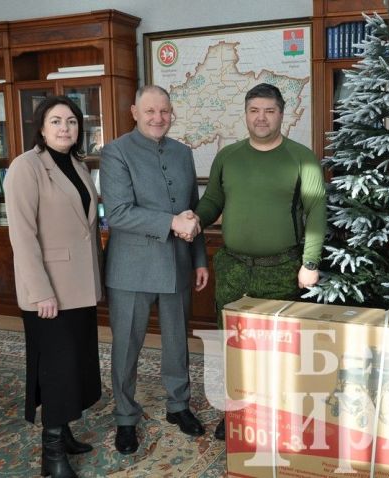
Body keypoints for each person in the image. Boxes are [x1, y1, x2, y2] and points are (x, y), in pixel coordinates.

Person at [194, 83, 327, 440]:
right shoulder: (229, 156)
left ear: (282, 114)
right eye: (254, 110)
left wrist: (310, 263)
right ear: (246, 114)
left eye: (269, 110)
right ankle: (234, 413)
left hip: (282, 269)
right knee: (233, 347)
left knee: (277, 349)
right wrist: (195, 219)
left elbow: (316, 212)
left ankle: (275, 415)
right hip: (233, 267)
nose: (261, 117)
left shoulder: (301, 157)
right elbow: (213, 202)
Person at [100, 85, 209, 455]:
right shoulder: (114, 152)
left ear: (171, 113)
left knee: (178, 344)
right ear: (134, 111)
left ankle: (179, 406)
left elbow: (193, 210)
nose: (158, 118)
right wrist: (171, 222)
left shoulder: (182, 152)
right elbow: (117, 213)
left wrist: (199, 260)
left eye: (164, 111)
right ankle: (125, 417)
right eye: (150, 111)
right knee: (126, 346)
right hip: (130, 268)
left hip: (178, 263)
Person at [4, 95, 103, 478]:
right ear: (42, 128)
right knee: (57, 368)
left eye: (72, 122)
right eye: (56, 121)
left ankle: (65, 431)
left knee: (76, 362)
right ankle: (52, 455)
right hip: (49, 292)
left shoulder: (77, 163)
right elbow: (23, 236)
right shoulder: (25, 167)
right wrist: (41, 291)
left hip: (80, 286)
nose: (65, 128)